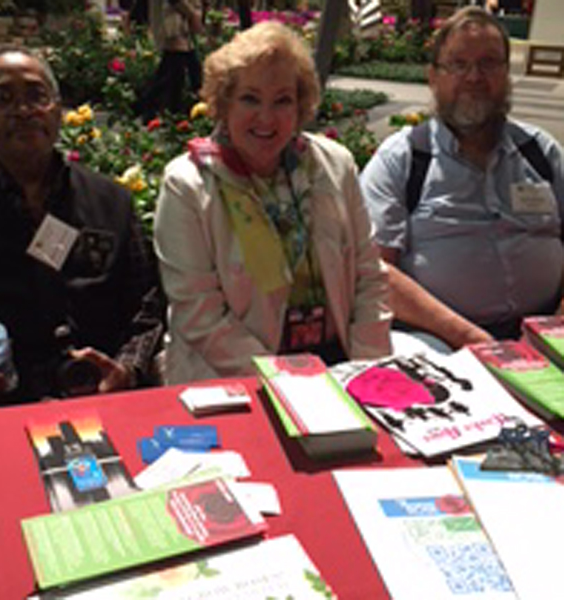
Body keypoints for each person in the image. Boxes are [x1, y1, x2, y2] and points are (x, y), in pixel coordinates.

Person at [153, 21, 392, 384]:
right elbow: (199, 315)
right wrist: (290, 382)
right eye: (250, 98)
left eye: (282, 100)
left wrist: (367, 371)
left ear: (300, 105)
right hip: (235, 378)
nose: (266, 117)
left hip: (340, 366)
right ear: (224, 101)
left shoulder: (335, 165)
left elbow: (369, 277)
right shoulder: (186, 184)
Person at [0, 45, 166, 410]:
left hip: (100, 398)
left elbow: (146, 308)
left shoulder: (112, 202)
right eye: (3, 99)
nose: (23, 111)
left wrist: (127, 368)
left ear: (58, 109)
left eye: (36, 96)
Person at [360, 6, 564, 349]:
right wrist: (472, 338)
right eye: (458, 64)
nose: (474, 77)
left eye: (488, 63)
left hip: (549, 333)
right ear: (433, 76)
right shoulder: (404, 159)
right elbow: (376, 273)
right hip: (439, 340)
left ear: (506, 74)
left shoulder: (541, 152)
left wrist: (557, 325)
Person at [133, 0, 203, 122]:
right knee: (176, 68)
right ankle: (151, 107)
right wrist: (191, 14)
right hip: (172, 22)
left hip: (178, 21)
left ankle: (159, 109)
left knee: (174, 69)